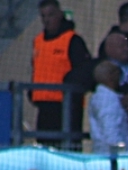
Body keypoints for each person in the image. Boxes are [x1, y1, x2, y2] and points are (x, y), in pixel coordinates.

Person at [31, 0, 90, 138]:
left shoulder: (73, 40)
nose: (46, 20)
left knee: (66, 146)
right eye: (43, 16)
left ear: (60, 14)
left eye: (50, 15)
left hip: (66, 105)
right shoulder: (38, 41)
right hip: (43, 105)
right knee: (45, 148)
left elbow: (83, 71)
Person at [89, 61, 128, 152]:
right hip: (111, 157)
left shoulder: (99, 97)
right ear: (112, 76)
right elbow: (111, 131)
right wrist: (120, 154)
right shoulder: (107, 99)